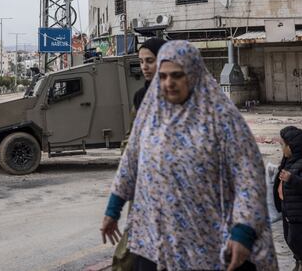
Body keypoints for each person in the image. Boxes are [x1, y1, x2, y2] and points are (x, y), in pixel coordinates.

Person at [100, 40, 278, 271]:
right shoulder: (151, 113)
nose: (168, 83)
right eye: (163, 76)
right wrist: (112, 210)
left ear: (193, 74)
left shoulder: (222, 118)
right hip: (155, 242)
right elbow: (131, 162)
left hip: (213, 244)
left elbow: (249, 178)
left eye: (177, 75)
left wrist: (243, 231)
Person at [114, 38, 166, 271]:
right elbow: (133, 136)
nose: (144, 66)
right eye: (141, 61)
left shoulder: (179, 93)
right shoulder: (140, 96)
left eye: (150, 61)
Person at [273, 127, 302, 271]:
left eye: (283, 145)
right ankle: (298, 263)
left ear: (292, 146)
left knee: (297, 241)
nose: (282, 148)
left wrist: (292, 179)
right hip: (288, 211)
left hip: (298, 214)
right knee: (290, 240)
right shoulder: (289, 161)